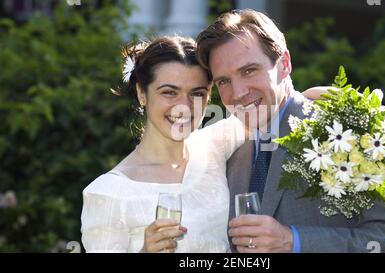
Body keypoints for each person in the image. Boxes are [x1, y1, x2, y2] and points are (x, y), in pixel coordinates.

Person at [196, 9, 385, 253]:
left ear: (284, 64)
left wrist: (294, 241)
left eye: (249, 71)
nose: (237, 93)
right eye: (223, 81)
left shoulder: (348, 131)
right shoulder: (231, 154)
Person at [80, 36, 324, 252]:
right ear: (142, 93)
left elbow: (273, 107)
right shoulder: (107, 193)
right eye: (169, 92)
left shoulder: (214, 144)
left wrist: (318, 98)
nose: (183, 106)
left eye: (196, 93)